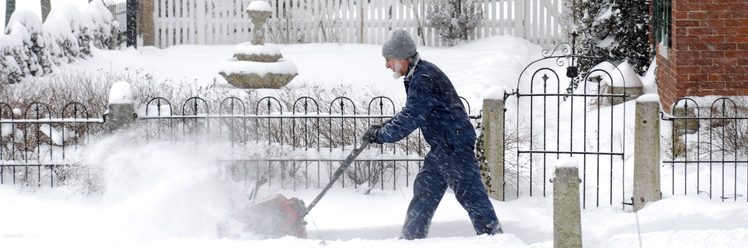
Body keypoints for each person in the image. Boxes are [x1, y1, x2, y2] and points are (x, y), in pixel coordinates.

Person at [362, 30, 502, 240]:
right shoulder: (418, 75)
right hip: (443, 146)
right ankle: (410, 239)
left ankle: (496, 240)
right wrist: (384, 126)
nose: (387, 65)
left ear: (402, 59)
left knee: (472, 197)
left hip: (453, 146)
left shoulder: (423, 78)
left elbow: (411, 117)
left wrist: (381, 135)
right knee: (425, 191)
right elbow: (412, 111)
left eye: (389, 60)